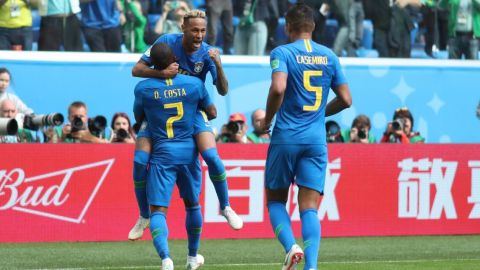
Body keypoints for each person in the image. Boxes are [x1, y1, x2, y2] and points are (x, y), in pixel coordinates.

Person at [129, 9, 242, 241]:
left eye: (202, 30)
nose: (199, 35)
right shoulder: (166, 42)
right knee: (139, 161)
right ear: (183, 28)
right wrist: (161, 74)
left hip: (193, 112)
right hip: (159, 111)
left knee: (212, 158)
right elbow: (136, 70)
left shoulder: (208, 54)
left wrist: (218, 65)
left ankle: (226, 206)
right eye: (194, 30)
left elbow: (222, 90)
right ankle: (143, 215)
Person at [260, 4, 352, 270]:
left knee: (276, 200)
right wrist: (320, 112)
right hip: (315, 140)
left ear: (288, 27)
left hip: (286, 137)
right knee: (309, 207)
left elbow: (278, 88)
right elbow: (346, 99)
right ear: (313, 27)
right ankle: (311, 267)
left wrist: (267, 119)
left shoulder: (283, 52)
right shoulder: (330, 56)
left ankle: (291, 248)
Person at [133, 43, 210, 270]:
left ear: (153, 64)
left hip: (162, 154)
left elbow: (138, 115)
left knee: (158, 211)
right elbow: (210, 110)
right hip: (188, 153)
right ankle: (192, 257)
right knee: (193, 205)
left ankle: (166, 259)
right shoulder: (194, 84)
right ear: (175, 58)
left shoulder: (143, 89)